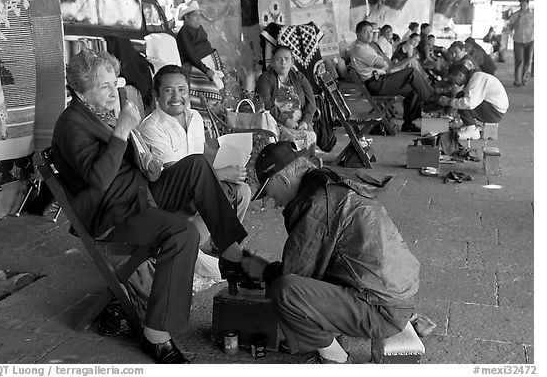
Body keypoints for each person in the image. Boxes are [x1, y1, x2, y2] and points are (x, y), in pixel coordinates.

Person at [51, 49, 248, 364]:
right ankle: (156, 335)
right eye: (102, 86)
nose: (112, 91)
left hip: (138, 193)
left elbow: (127, 160)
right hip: (114, 211)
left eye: (112, 82)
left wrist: (144, 155)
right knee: (182, 234)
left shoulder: (99, 112)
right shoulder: (71, 124)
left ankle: (231, 254)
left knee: (197, 165)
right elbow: (100, 179)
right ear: (78, 89)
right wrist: (121, 130)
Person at [241, 141, 420, 364]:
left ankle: (337, 360)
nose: (272, 202)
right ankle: (317, 336)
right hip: (394, 295)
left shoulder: (317, 203)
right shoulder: (327, 182)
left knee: (285, 292)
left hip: (380, 310)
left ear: (283, 180)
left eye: (269, 193)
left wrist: (263, 270)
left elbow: (297, 274)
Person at [138, 64, 251, 242]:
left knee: (242, 190)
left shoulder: (195, 117)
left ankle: (219, 245)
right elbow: (177, 173)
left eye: (182, 90)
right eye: (169, 90)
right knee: (213, 181)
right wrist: (222, 174)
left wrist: (231, 160)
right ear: (156, 94)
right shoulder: (150, 127)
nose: (177, 97)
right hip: (172, 198)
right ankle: (198, 246)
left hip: (199, 189)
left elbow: (202, 153)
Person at [350, 20, 434, 133]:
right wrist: (382, 57)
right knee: (411, 72)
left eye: (371, 31)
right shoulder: (360, 48)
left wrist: (382, 57)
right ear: (358, 34)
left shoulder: (367, 46)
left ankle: (408, 124)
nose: (370, 35)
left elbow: (385, 64)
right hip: (377, 84)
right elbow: (384, 64)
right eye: (366, 32)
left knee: (414, 88)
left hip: (380, 80)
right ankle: (433, 101)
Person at [256, 45, 318, 154]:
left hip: (300, 123)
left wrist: (305, 121)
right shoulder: (265, 79)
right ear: (272, 62)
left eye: (286, 59)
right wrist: (286, 121)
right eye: (279, 59)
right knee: (290, 141)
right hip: (276, 122)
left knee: (310, 135)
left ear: (292, 62)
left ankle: (308, 167)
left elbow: (311, 101)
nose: (283, 62)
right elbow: (266, 103)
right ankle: (292, 169)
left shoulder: (299, 77)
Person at [437, 63, 508, 140]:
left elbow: (469, 103)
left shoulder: (477, 79)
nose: (454, 83)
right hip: (492, 108)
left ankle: (471, 130)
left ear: (460, 75)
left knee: (463, 100)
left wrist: (449, 102)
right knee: (461, 96)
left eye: (454, 80)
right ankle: (468, 126)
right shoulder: (474, 78)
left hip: (495, 112)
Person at [175, 0, 224, 105]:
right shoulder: (183, 33)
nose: (198, 19)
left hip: (210, 61)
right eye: (194, 16)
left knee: (222, 87)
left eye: (199, 15)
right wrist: (206, 70)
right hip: (198, 66)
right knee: (216, 91)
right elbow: (191, 55)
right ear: (186, 18)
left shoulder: (199, 28)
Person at [507, 0, 534, 86]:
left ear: (527, 4)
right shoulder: (515, 15)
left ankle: (525, 79)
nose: (522, 6)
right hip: (518, 40)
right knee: (519, 60)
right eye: (521, 5)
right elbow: (510, 27)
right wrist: (517, 20)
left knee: (528, 61)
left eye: (524, 5)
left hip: (530, 40)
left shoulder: (533, 15)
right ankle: (517, 80)